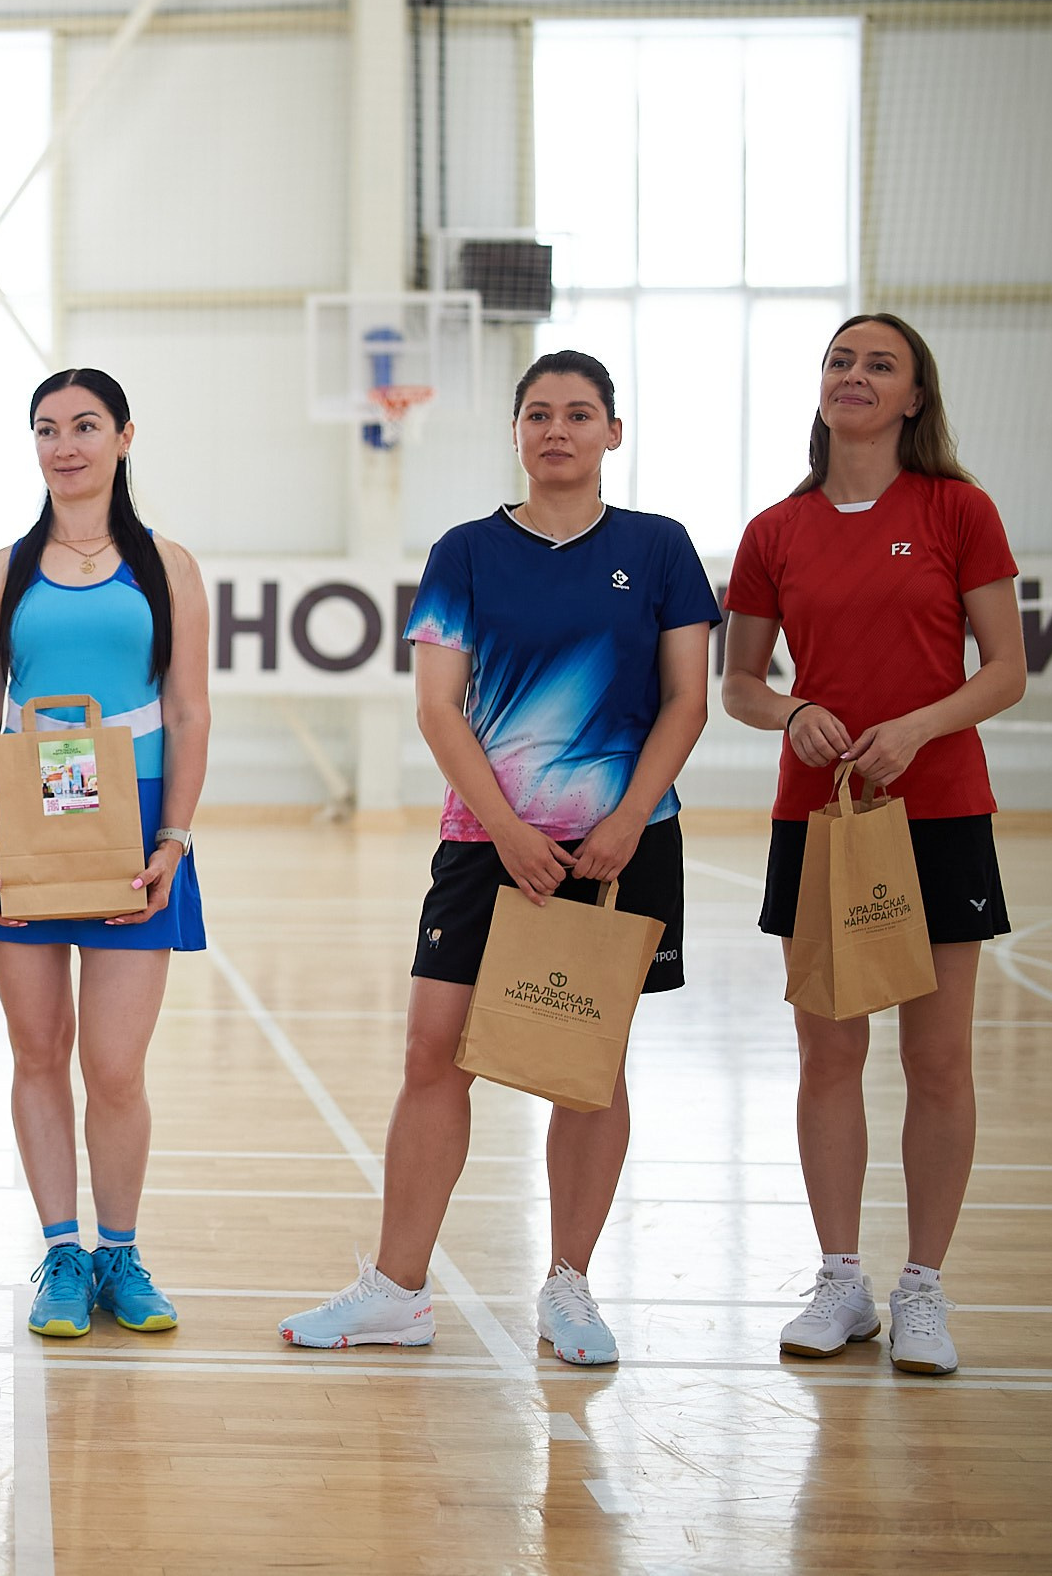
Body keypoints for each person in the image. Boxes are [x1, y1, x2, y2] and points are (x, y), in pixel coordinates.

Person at [278, 351, 719, 1366]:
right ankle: (395, 1290)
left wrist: (626, 819)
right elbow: (437, 706)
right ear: (515, 433)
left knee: (586, 1071)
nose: (555, 429)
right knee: (431, 1052)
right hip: (490, 843)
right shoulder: (467, 550)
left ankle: (568, 1286)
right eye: (536, 413)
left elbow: (687, 698)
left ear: (614, 430)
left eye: (577, 413)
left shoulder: (657, 548)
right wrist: (511, 832)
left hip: (621, 847)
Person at [721, 313, 1025, 1376]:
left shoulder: (958, 509)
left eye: (877, 364)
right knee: (828, 1053)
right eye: (840, 360)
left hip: (938, 811)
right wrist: (789, 710)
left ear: (912, 398)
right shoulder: (775, 530)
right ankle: (840, 1278)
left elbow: (1004, 670)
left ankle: (923, 1288)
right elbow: (739, 684)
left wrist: (919, 726)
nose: (854, 375)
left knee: (936, 1058)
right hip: (821, 821)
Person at [0, 367, 209, 1340]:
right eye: (48, 428)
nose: (66, 444)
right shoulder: (2, 570)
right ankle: (60, 1252)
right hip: (26, 819)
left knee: (114, 1067)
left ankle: (120, 1252)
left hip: (134, 825)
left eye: (85, 426)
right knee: (36, 1051)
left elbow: (187, 709)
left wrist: (174, 836)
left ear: (123, 436)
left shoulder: (168, 566)